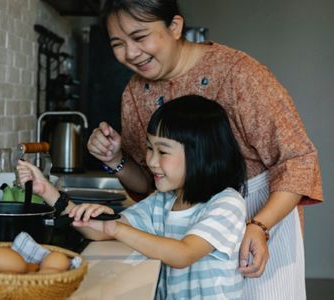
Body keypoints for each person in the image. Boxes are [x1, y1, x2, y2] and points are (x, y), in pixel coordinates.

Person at [86, 1, 324, 299]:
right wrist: (116, 159)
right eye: (118, 44)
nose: (130, 53)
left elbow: (298, 160)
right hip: (185, 235)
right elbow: (151, 183)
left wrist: (260, 225)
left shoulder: (239, 73)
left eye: (140, 37)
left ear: (174, 27)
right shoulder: (135, 93)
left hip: (259, 215)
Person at [18, 95, 249, 299]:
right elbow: (95, 230)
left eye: (163, 151)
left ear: (202, 154)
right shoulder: (163, 201)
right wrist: (46, 191)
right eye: (150, 148)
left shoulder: (227, 203)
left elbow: (183, 253)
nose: (151, 161)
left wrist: (116, 229)